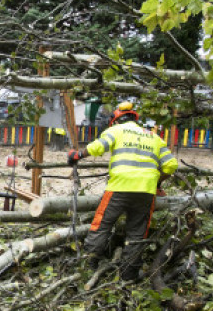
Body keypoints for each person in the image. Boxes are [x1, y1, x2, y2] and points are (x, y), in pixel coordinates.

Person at [67, 101, 178, 281]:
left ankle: (87, 268)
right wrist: (157, 184)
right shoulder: (153, 137)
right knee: (137, 233)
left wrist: (77, 155)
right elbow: (171, 165)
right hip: (146, 192)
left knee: (101, 226)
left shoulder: (117, 131)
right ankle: (128, 276)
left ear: (116, 120)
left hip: (119, 187)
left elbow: (97, 147)